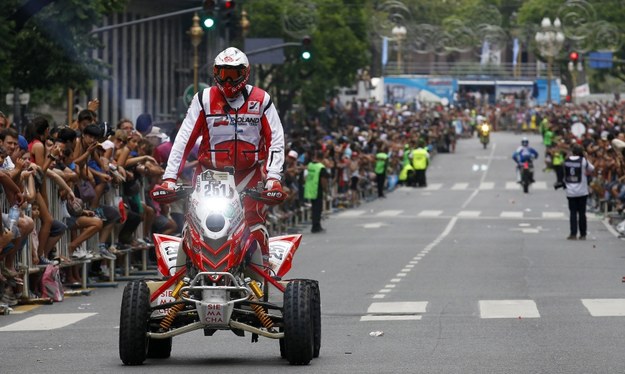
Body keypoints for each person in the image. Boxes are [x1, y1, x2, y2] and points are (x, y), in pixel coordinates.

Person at [153, 47, 285, 268]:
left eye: (234, 73)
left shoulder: (262, 99)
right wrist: (169, 178)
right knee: (193, 225)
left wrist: (273, 178)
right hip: (208, 176)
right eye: (223, 73)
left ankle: (263, 272)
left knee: (254, 225)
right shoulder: (203, 99)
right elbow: (183, 139)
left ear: (245, 73)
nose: (228, 79)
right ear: (215, 72)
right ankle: (180, 276)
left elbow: (276, 140)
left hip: (248, 176)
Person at [563, 144, 594, 240]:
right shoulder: (583, 161)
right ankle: (583, 234)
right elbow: (592, 169)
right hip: (582, 191)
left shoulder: (567, 161)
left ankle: (573, 234)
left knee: (572, 213)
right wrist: (586, 157)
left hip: (570, 191)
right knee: (582, 213)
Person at [304, 150, 329, 233]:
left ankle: (315, 225)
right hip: (317, 189)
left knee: (314, 208)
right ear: (322, 158)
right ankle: (316, 226)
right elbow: (323, 181)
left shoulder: (310, 165)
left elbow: (306, 176)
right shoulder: (321, 167)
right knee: (318, 209)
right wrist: (326, 190)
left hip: (310, 189)